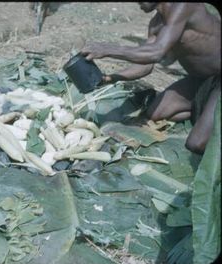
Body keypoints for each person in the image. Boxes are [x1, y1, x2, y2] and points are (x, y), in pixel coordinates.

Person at [81, 2, 221, 154]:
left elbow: (156, 52)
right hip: (200, 79)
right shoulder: (156, 25)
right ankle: (208, 113)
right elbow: (145, 66)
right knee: (156, 114)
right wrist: (110, 78)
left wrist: (108, 49)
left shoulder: (184, 6)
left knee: (196, 144)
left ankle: (209, 121)